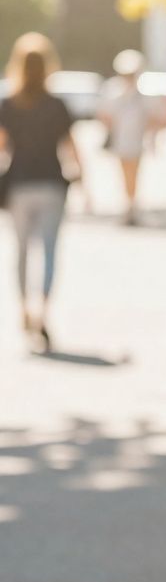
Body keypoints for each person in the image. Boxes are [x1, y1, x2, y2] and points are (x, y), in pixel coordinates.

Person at [0, 33, 83, 350]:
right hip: (50, 183)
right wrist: (85, 182)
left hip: (19, 185)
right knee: (49, 251)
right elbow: (71, 147)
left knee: (20, 251)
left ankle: (23, 308)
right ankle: (43, 310)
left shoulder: (9, 104)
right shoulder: (57, 104)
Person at [98, 49, 155, 225]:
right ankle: (128, 205)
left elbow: (151, 118)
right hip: (121, 140)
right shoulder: (114, 92)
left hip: (136, 140)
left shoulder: (142, 95)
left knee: (134, 173)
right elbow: (105, 116)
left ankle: (132, 205)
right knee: (125, 172)